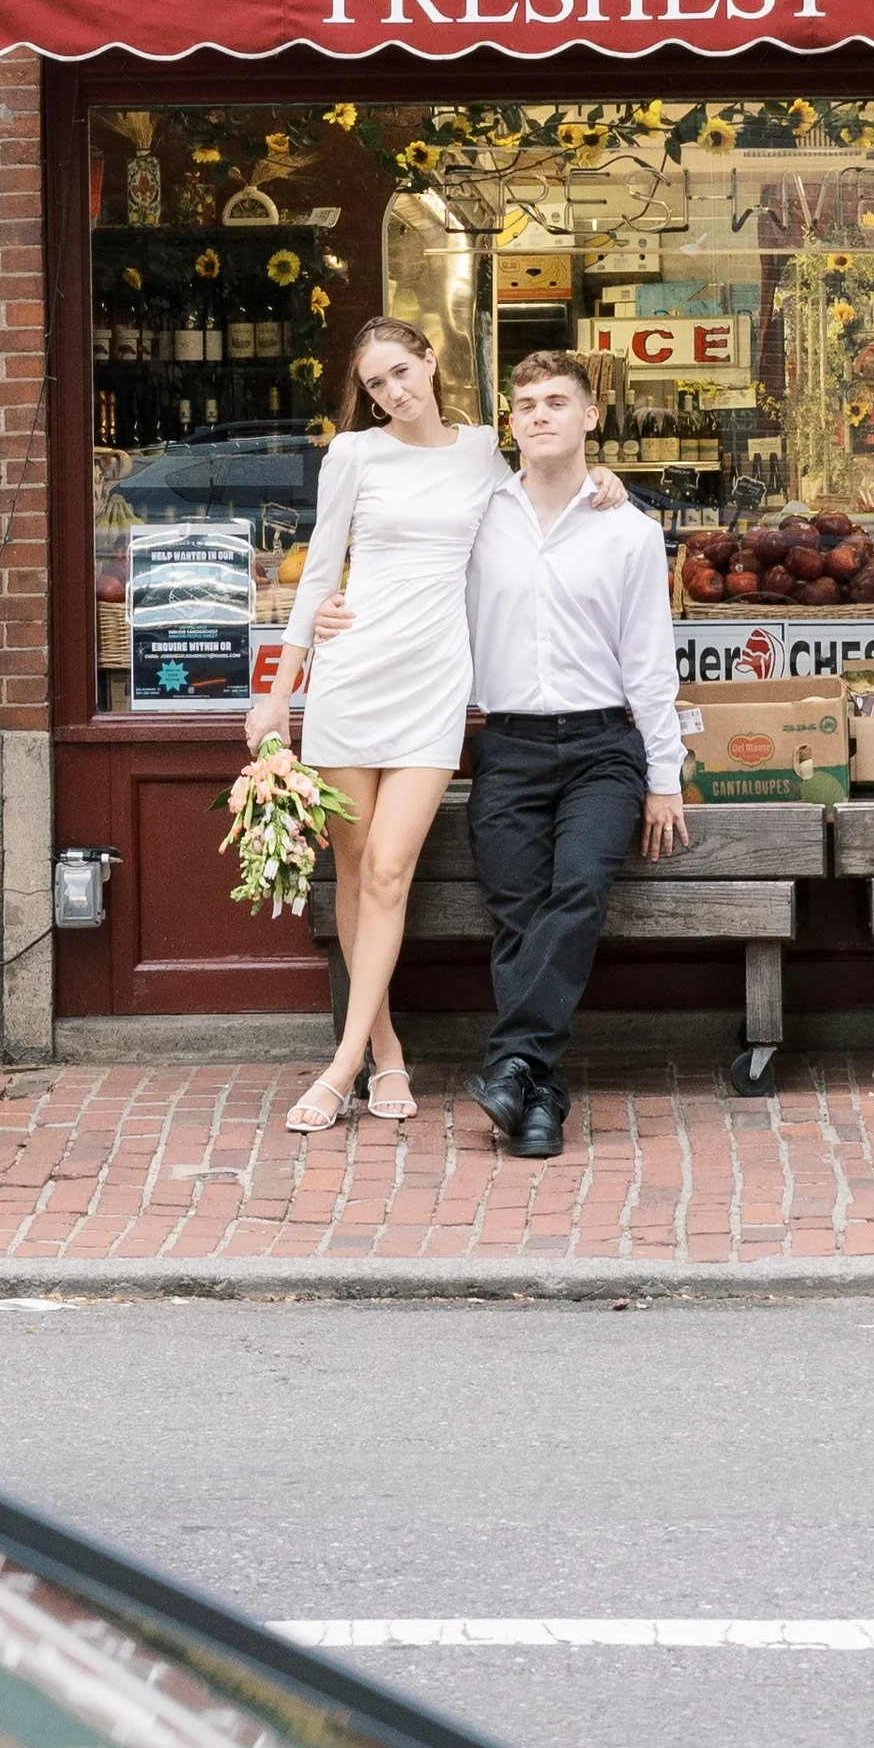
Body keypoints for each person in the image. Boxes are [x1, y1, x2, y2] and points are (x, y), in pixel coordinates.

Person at [243, 319, 629, 1138]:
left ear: (430, 361)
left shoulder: (482, 450)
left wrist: (607, 481)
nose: (392, 392)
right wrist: (283, 689)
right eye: (376, 384)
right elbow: (319, 569)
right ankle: (380, 1046)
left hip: (433, 685)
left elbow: (539, 498)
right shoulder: (353, 455)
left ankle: (339, 1066)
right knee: (353, 871)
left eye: (400, 372)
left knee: (389, 868)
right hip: (352, 676)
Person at [313, 348, 688, 1162]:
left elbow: (652, 664)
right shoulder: (482, 513)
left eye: (559, 401)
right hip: (507, 745)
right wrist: (334, 613)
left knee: (579, 889)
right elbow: (408, 554)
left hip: (602, 748)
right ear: (510, 423)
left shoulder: (628, 528)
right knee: (517, 908)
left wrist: (665, 775)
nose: (541, 414)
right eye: (526, 404)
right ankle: (536, 1091)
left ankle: (514, 1064)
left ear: (592, 417)